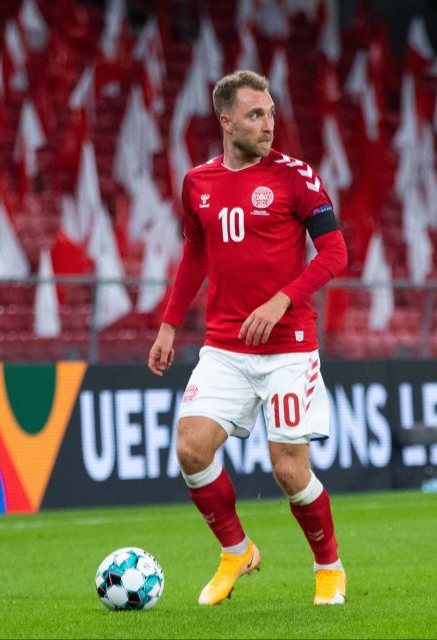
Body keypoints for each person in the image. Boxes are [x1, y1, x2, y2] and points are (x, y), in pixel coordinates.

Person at [147, 70, 349, 606]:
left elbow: (335, 253)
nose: (268, 124)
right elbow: (196, 253)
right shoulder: (198, 183)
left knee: (288, 470)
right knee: (190, 449)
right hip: (225, 346)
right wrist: (169, 323)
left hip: (288, 346)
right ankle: (237, 551)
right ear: (226, 120)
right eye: (256, 115)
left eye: (271, 113)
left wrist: (284, 297)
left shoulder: (296, 177)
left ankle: (328, 566)